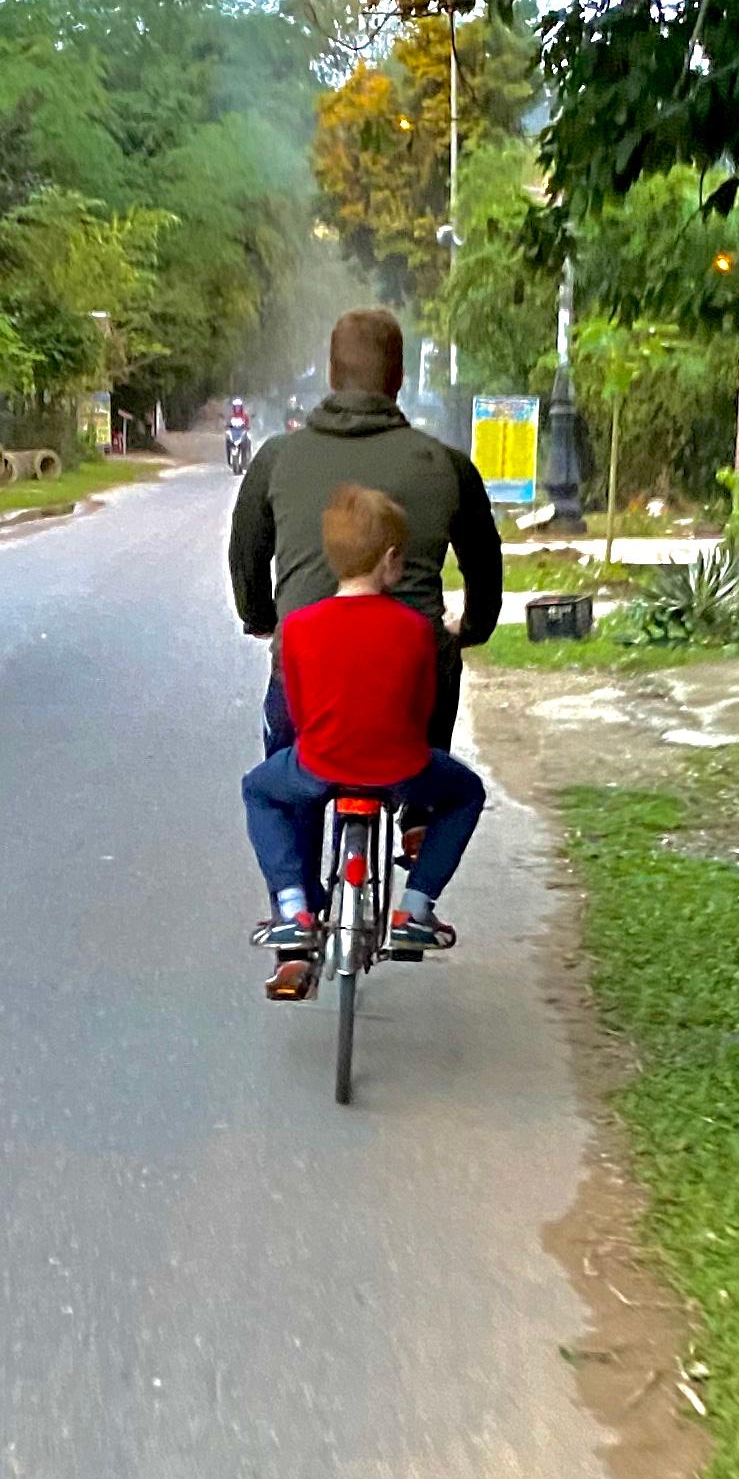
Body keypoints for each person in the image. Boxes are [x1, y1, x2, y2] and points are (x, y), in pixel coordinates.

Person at [244, 484, 488, 1000]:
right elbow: (422, 709)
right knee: (467, 793)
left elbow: (301, 712)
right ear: (393, 559)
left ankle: (292, 909)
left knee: (259, 790)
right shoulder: (416, 629)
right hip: (401, 767)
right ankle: (416, 907)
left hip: (319, 764)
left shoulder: (300, 627)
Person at [229, 306, 502, 753]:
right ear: (397, 378)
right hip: (413, 688)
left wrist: (261, 618)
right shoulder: (447, 467)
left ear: (332, 374)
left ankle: (291, 817)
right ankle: (421, 812)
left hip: (306, 683)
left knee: (280, 787)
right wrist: (470, 627)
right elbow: (485, 569)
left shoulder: (278, 460)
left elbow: (247, 556)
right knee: (440, 671)